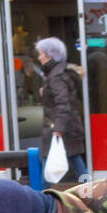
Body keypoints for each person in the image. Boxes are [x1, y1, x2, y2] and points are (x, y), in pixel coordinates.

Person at [35, 37, 87, 183]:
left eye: (41, 54)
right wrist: (44, 93)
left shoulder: (56, 77)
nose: (39, 57)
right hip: (67, 128)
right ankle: (90, 191)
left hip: (61, 129)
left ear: (50, 55)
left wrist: (58, 129)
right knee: (77, 164)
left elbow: (63, 104)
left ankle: (41, 199)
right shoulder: (57, 73)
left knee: (49, 170)